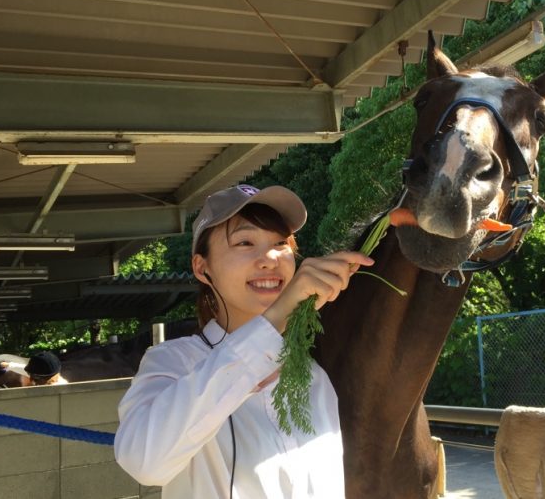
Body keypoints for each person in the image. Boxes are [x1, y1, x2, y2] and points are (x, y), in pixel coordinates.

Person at [114, 184, 373, 499]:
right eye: (245, 242)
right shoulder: (173, 362)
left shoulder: (313, 377)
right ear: (202, 267)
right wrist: (275, 318)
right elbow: (144, 462)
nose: (269, 258)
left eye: (281, 243)